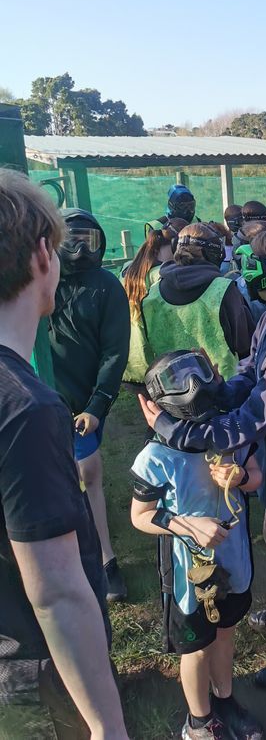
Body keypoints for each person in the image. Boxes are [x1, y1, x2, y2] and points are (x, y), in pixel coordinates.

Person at [139, 228, 266, 690]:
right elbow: (249, 376)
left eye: (250, 263)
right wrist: (211, 393)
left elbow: (254, 417)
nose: (241, 269)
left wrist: (177, 430)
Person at [0, 171, 128, 739]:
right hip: (31, 675)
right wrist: (106, 727)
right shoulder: (25, 410)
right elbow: (55, 593)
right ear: (43, 255)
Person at [131, 350, 264, 740]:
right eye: (179, 380)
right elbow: (140, 516)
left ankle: (224, 699)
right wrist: (188, 526)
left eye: (199, 373)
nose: (193, 386)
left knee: (225, 632)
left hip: (233, 558)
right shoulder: (156, 456)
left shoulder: (231, 434)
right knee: (196, 648)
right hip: (189, 574)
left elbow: (255, 477)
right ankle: (199, 722)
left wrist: (239, 476)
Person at [49, 208, 131, 602]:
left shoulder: (106, 287)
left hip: (82, 405)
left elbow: (115, 353)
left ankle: (105, 561)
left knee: (88, 475)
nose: (80, 249)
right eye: (72, 239)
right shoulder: (40, 280)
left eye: (89, 240)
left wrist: (97, 406)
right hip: (41, 400)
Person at [142, 222, 255, 373]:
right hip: (222, 386)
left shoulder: (153, 292)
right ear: (214, 252)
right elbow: (244, 344)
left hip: (170, 386)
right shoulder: (223, 289)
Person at [122, 218, 186, 385]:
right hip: (158, 363)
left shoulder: (130, 269)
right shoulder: (162, 274)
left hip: (132, 359)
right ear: (174, 244)